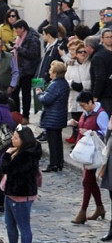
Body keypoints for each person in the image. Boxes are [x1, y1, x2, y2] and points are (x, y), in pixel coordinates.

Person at [0, 125, 41, 243]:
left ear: (24, 140)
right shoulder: (18, 151)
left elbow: (8, 169)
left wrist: (6, 156)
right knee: (10, 224)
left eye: (16, 138)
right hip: (11, 192)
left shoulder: (26, 155)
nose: (12, 139)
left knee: (23, 227)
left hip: (22, 195)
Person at [72, 92, 108, 225]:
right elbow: (84, 124)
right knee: (90, 181)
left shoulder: (101, 114)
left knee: (87, 181)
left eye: (84, 106)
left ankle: (83, 211)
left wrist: (91, 132)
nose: (83, 108)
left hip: (94, 152)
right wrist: (76, 124)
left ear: (91, 102)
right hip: (85, 151)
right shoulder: (86, 113)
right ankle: (100, 208)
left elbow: (106, 132)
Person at [35, 60, 70, 173]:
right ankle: (59, 163)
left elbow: (46, 100)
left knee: (53, 143)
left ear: (55, 73)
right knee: (57, 141)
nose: (49, 73)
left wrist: (39, 93)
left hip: (52, 117)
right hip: (59, 116)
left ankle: (54, 164)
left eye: (51, 71)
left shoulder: (55, 84)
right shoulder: (63, 83)